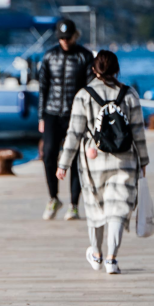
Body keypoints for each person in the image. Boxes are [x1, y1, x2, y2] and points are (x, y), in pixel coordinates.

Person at [56, 50, 149, 275]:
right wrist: (144, 160)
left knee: (96, 208)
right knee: (117, 210)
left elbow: (74, 133)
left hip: (93, 162)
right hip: (124, 161)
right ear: (117, 69)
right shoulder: (129, 95)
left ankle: (96, 254)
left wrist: (63, 163)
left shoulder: (83, 95)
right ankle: (111, 259)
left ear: (94, 69)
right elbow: (138, 132)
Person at [38, 17, 95, 221]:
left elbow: (90, 89)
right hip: (52, 113)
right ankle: (53, 197)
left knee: (76, 158)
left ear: (75, 36)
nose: (64, 42)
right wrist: (41, 116)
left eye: (68, 38)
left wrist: (89, 117)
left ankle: (73, 204)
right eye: (61, 38)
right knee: (49, 154)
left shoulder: (84, 56)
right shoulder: (49, 56)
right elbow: (43, 88)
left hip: (76, 115)